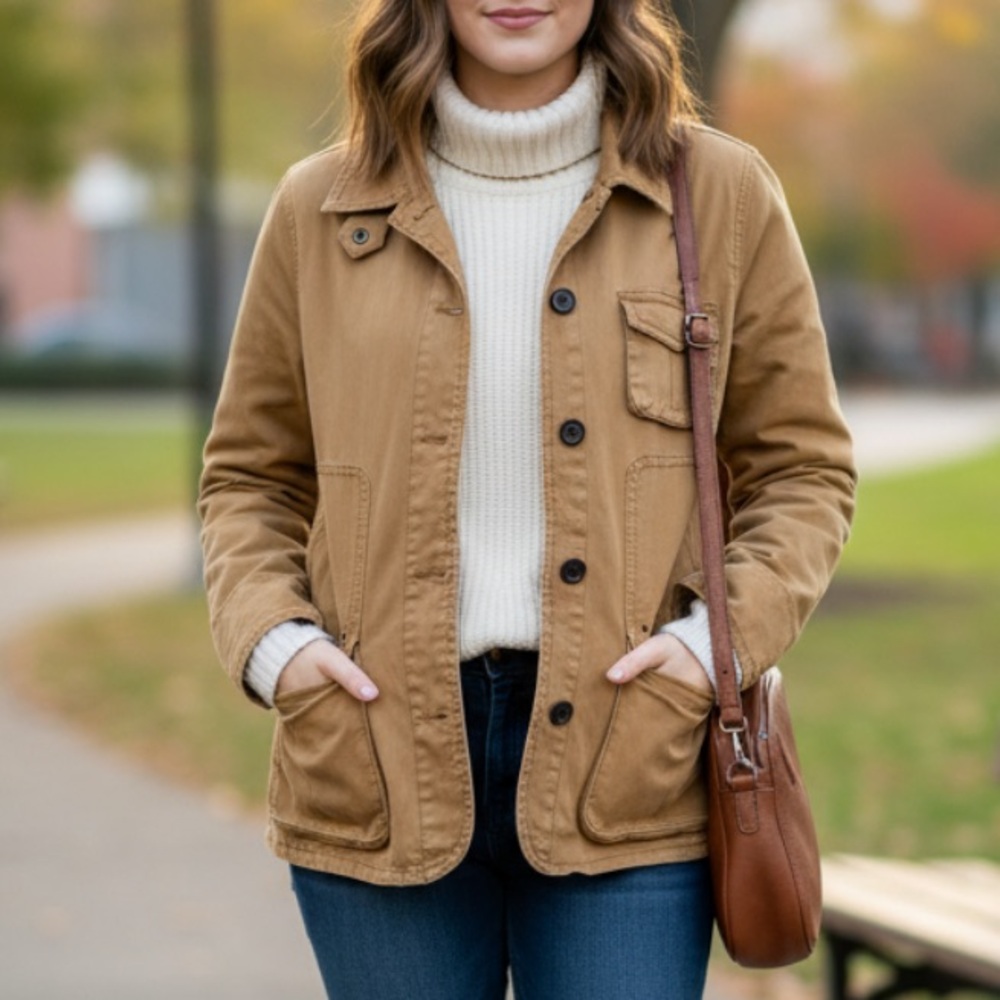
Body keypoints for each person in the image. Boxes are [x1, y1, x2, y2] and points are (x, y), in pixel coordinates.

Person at [198, 0, 856, 995]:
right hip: (373, 756)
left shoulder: (715, 194)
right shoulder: (319, 208)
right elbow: (248, 475)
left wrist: (705, 651)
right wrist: (277, 648)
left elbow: (801, 469)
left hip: (632, 757)